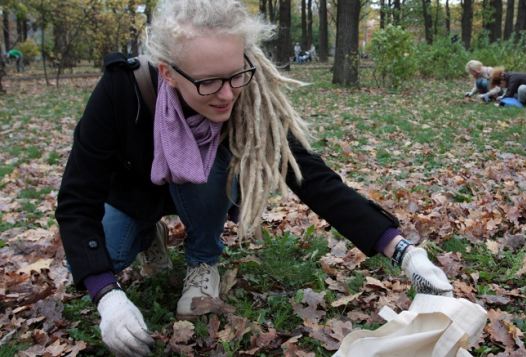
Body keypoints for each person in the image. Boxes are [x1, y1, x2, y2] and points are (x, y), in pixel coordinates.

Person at [54, 0, 454, 355]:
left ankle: (203, 261)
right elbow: (76, 198)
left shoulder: (247, 97)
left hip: (202, 189)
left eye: (234, 75)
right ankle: (146, 236)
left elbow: (312, 178)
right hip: (135, 194)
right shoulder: (122, 89)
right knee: (98, 261)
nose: (227, 94)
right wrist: (107, 295)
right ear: (168, 73)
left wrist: (401, 250)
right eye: (208, 81)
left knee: (214, 162)